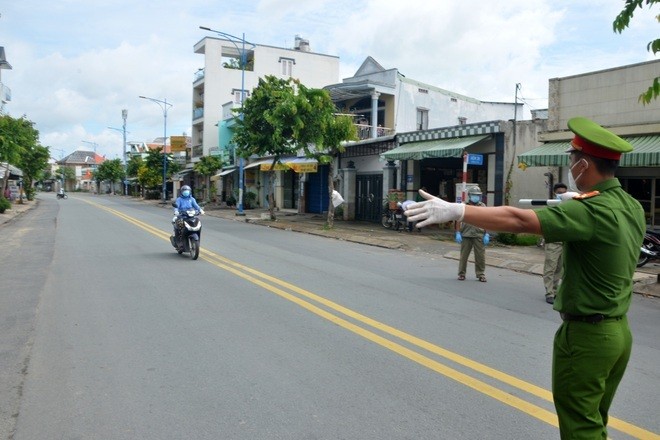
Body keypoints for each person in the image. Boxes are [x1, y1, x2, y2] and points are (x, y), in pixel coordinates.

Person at [405, 117, 644, 439]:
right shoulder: (630, 205)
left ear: (584, 165)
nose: (570, 168)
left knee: (580, 427)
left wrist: (458, 211)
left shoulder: (590, 211)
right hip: (618, 334)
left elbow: (518, 219)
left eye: (571, 160)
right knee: (593, 421)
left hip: (588, 336)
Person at [456, 186, 490, 282]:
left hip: (479, 234)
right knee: (463, 256)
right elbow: (458, 220)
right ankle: (461, 274)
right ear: (470, 196)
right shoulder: (463, 206)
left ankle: (481, 274)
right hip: (466, 234)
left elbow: (487, 221)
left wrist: (486, 234)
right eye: (474, 195)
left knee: (480, 257)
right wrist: (458, 232)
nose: (476, 197)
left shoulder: (483, 206)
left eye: (478, 195)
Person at [543, 182, 568, 304]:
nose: (562, 195)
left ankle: (555, 290)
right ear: (554, 193)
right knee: (550, 267)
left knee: (560, 268)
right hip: (553, 241)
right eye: (559, 193)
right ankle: (549, 292)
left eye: (564, 193)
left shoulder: (569, 205)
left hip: (565, 241)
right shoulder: (551, 206)